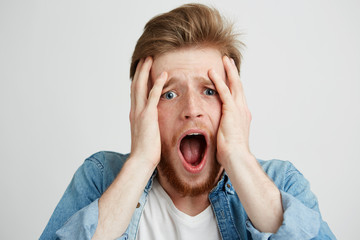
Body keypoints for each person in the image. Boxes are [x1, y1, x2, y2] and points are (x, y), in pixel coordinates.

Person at [40, 3, 336, 240]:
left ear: (233, 104)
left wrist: (238, 157)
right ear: (143, 108)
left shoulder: (282, 184)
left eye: (209, 90)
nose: (192, 109)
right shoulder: (101, 178)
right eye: (168, 94)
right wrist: (141, 162)